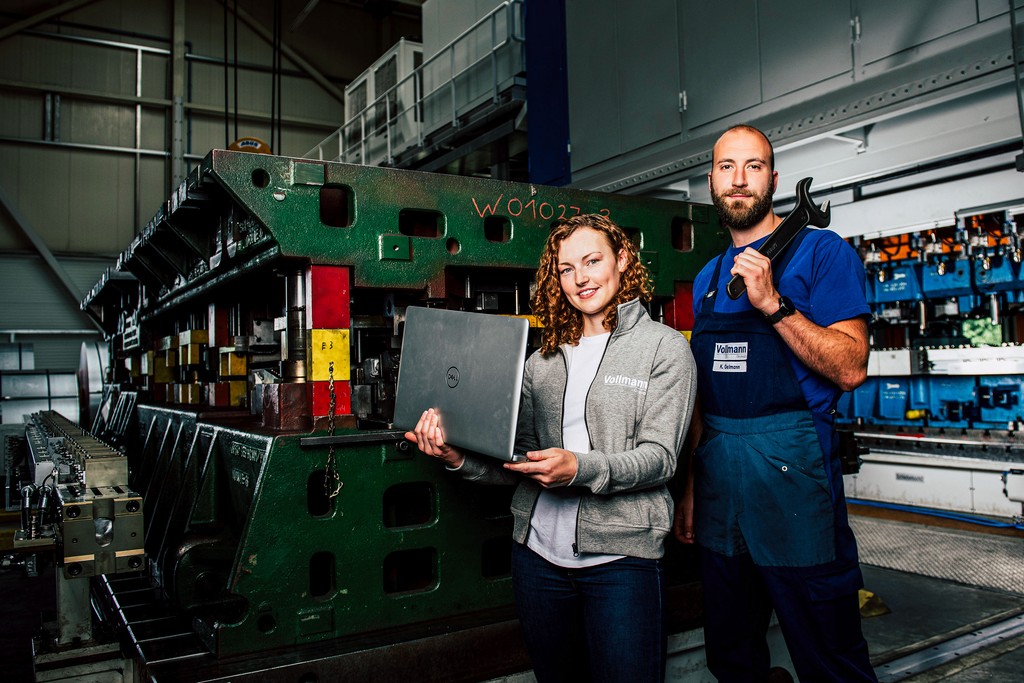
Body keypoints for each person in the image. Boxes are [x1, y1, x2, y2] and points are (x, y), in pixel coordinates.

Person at [407, 213, 697, 683]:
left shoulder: (663, 349)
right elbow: (519, 460)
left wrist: (579, 469)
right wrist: (457, 458)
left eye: (592, 261)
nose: (581, 278)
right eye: (566, 269)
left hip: (621, 562)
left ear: (623, 260)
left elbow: (661, 459)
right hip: (538, 559)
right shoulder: (542, 359)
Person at [672, 124, 878, 682]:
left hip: (793, 478)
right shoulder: (709, 276)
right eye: (726, 167)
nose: (739, 180)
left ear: (774, 179)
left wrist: (774, 305)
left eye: (753, 166)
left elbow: (851, 367)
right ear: (711, 181)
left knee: (829, 656)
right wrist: (691, 486)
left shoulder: (822, 252)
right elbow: (701, 393)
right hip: (719, 485)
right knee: (732, 656)